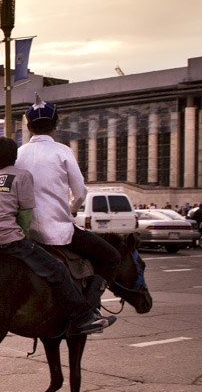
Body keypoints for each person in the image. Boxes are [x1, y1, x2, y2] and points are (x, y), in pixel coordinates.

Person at [0, 137, 114, 335]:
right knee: (57, 269)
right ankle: (84, 317)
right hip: (8, 241)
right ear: (14, 157)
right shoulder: (21, 175)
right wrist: (25, 238)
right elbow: (25, 216)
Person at [14, 98, 122, 313]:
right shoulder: (62, 151)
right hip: (58, 231)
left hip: (23, 232)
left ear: (28, 127)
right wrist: (72, 209)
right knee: (112, 257)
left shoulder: (18, 154)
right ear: (56, 125)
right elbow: (81, 192)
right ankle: (89, 308)